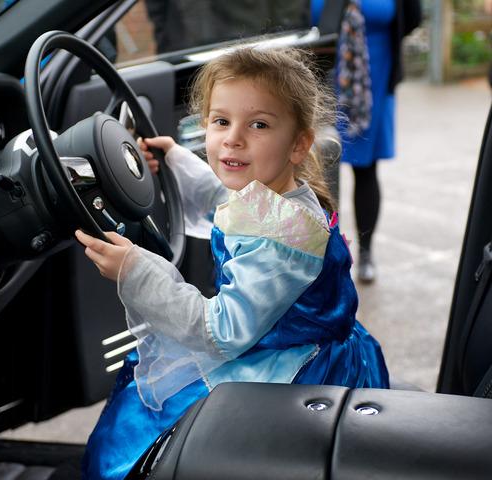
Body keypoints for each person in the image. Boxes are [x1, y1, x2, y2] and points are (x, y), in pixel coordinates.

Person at [76, 46, 389, 480]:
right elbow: (225, 201)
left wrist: (137, 272)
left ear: (299, 144)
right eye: (221, 121)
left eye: (258, 124)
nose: (233, 139)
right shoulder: (273, 193)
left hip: (292, 367)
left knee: (141, 427)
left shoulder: (284, 236)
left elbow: (221, 332)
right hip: (290, 343)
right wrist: (174, 159)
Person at [311, 0, 422, 283]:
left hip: (375, 77)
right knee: (315, 171)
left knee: (366, 168)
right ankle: (318, 255)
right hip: (320, 79)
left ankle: (366, 252)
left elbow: (412, 17)